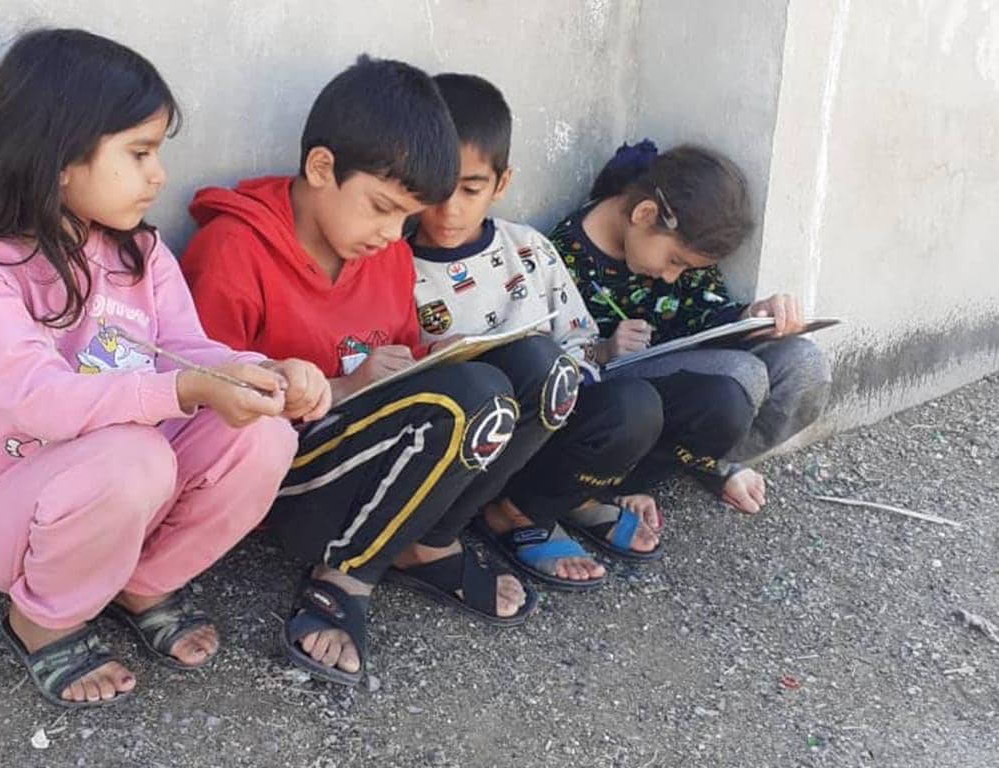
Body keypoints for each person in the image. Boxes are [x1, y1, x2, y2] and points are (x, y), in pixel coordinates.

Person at [0, 29, 327, 708]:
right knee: (133, 457)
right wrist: (185, 390)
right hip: (12, 504)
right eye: (140, 152)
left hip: (128, 484)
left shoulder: (141, 253)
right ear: (60, 156)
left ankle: (143, 580)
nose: (158, 175)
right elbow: (43, 401)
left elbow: (190, 350)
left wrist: (262, 372)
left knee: (264, 435)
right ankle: (42, 619)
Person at [181, 56, 538, 686]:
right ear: (322, 168)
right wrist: (345, 386)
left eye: (405, 217)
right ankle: (343, 579)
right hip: (278, 482)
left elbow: (392, 362)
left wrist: (430, 358)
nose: (391, 234)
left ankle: (427, 542)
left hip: (368, 454)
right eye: (381, 208)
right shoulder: (233, 254)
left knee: (535, 371)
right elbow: (205, 419)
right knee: (470, 398)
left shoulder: (386, 255)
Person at [408, 73, 665, 590]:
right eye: (433, 187)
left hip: (542, 436)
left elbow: (581, 347)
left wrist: (593, 353)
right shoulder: (389, 264)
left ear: (501, 183)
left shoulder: (528, 250)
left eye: (471, 188)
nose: (449, 208)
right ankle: (461, 525)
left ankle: (524, 509)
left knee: (636, 405)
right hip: (459, 446)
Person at [549, 139, 832, 515]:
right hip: (621, 401)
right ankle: (621, 480)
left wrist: (753, 317)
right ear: (645, 214)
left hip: (688, 377)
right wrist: (605, 348)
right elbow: (554, 363)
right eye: (674, 261)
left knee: (804, 364)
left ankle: (704, 460)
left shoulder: (674, 239)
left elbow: (704, 311)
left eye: (685, 269)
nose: (671, 277)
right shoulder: (561, 255)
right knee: (740, 377)